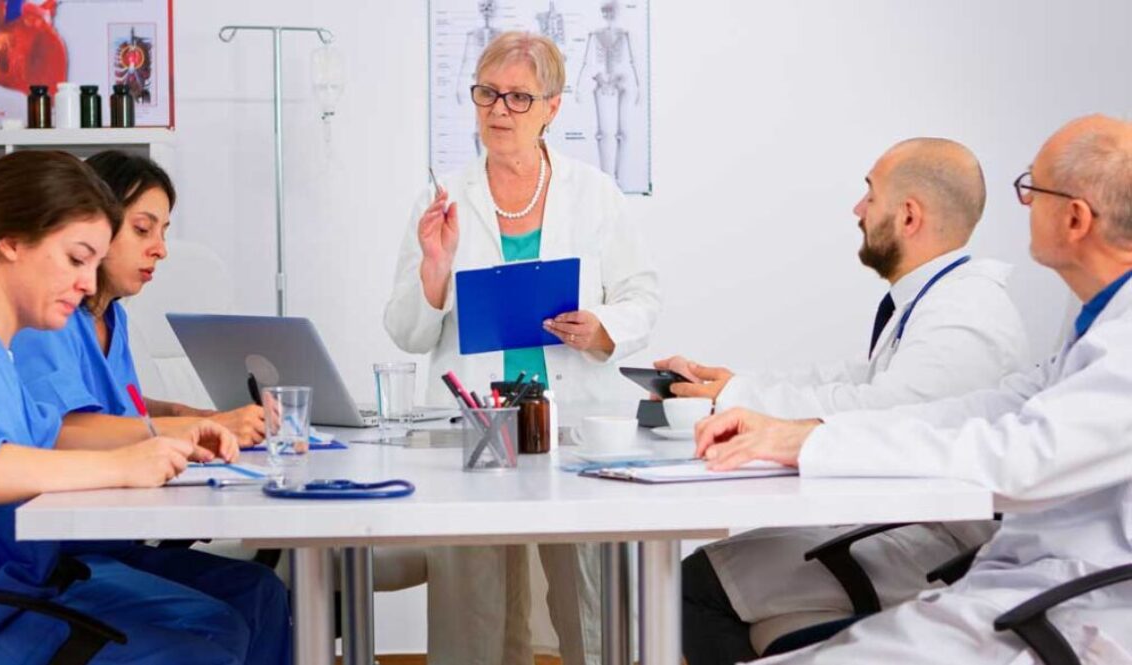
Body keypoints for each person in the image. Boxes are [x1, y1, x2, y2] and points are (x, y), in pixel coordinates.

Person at [698, 114, 1132, 663]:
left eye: (1031, 188)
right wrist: (802, 432)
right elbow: (998, 405)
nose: (1022, 204)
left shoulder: (1116, 340)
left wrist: (808, 441)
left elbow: (1019, 459)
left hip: (1073, 608)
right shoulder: (1098, 319)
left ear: (1074, 219)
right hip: (1026, 580)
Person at [663, 138, 1031, 664]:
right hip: (905, 524)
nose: (858, 210)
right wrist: (733, 387)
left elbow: (889, 409)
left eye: (870, 195)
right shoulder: (938, 299)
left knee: (696, 585)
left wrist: (768, 420)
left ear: (908, 216)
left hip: (943, 547)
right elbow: (859, 381)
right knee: (703, 574)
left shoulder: (965, 314)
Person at [385, 31, 659, 665]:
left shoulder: (594, 194)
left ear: (552, 108)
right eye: (486, 94)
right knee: (472, 607)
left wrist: (603, 326)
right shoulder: (441, 200)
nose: (498, 110)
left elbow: (643, 295)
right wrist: (433, 269)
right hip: (474, 423)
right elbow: (405, 331)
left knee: (585, 601)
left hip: (570, 423)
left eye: (517, 97)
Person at [0, 150, 289, 664]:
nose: (86, 282)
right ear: (10, 240)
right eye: (76, 259)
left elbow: (48, 432)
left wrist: (178, 434)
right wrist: (124, 464)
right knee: (202, 646)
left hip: (25, 583)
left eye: (93, 264)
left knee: (229, 623)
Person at [11, 150, 265, 447]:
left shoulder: (113, 316)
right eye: (142, 229)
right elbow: (63, 428)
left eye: (163, 233)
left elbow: (118, 408)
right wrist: (196, 426)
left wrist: (188, 415)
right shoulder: (48, 315)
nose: (161, 250)